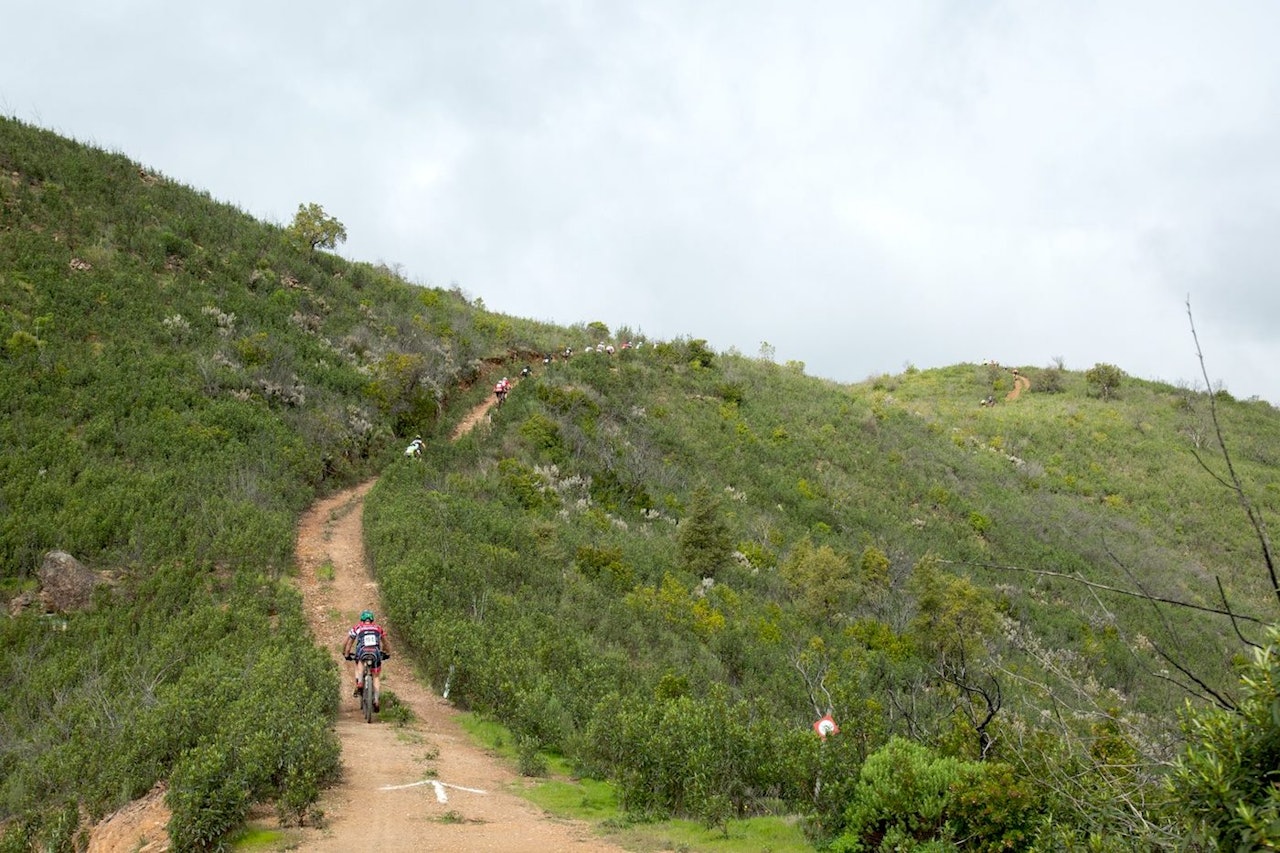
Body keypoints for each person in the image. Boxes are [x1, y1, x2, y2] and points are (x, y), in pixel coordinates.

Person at [342, 610, 390, 711]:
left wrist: (346, 654)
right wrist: (387, 653)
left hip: (363, 651)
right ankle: (376, 700)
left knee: (359, 662)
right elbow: (386, 643)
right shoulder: (378, 628)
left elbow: (349, 642)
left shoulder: (358, 627)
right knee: (376, 676)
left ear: (362, 620)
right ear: (372, 620)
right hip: (375, 652)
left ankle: (360, 682)